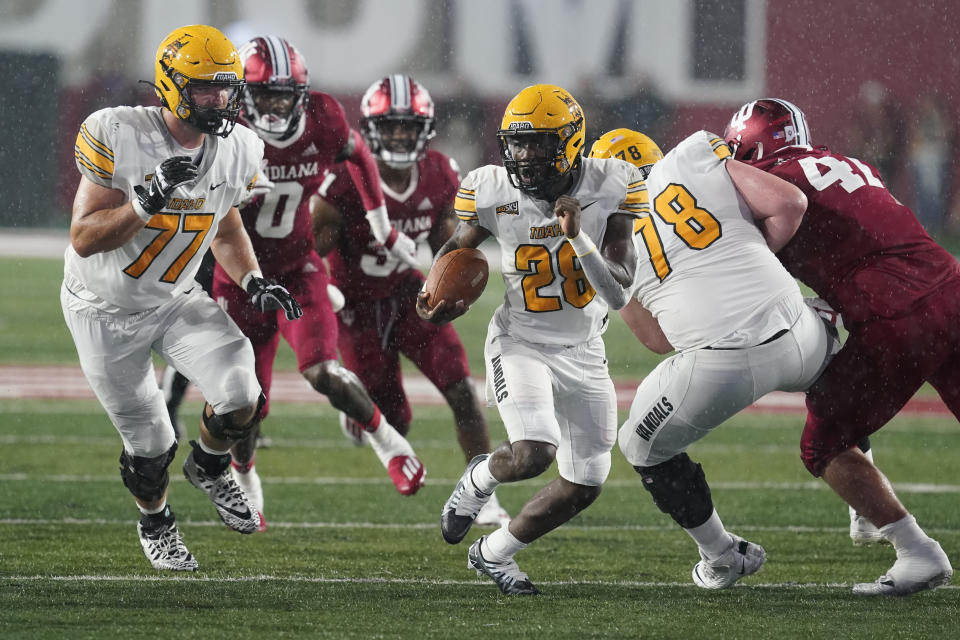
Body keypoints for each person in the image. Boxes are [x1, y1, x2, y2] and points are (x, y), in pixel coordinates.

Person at [62, 24, 302, 571]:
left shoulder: (240, 147)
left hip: (174, 299)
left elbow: (226, 225)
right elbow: (84, 235)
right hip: (105, 310)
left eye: (225, 88)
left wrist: (253, 280)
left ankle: (211, 467)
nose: (218, 100)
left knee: (244, 392)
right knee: (149, 448)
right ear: (170, 86)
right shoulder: (117, 131)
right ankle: (156, 522)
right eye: (203, 88)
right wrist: (146, 201)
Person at [723, 98, 957, 596]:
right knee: (835, 395)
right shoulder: (848, 164)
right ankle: (868, 515)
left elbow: (765, 244)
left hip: (900, 315)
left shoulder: (770, 183)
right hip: (950, 286)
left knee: (823, 440)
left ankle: (916, 551)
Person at [418, 85, 644, 595]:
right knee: (535, 452)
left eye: (535, 144)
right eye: (515, 144)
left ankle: (494, 554)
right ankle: (479, 479)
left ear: (569, 143)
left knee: (585, 484)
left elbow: (617, 294)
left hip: (585, 349)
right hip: (520, 339)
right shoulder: (491, 189)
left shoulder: (613, 184)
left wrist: (577, 235)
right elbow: (457, 249)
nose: (522, 156)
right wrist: (430, 300)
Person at [587, 128, 837, 590]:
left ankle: (720, 553)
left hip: (723, 364)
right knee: (838, 375)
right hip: (800, 333)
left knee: (641, 445)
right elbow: (791, 204)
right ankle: (873, 513)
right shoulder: (691, 156)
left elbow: (658, 340)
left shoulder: (605, 239)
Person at [211, 36, 427, 529]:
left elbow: (360, 157)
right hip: (240, 279)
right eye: (264, 94)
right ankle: (244, 477)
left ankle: (389, 444)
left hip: (297, 270)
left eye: (283, 95)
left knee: (323, 371)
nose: (274, 104)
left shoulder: (324, 118)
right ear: (245, 94)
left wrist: (382, 229)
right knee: (247, 402)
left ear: (301, 95)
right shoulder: (225, 132)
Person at [311, 74, 510, 526]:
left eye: (408, 125)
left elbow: (448, 247)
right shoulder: (344, 180)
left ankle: (482, 496)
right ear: (371, 129)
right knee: (394, 421)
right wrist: (324, 292)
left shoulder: (441, 173)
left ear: (425, 130)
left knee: (461, 390)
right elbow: (309, 253)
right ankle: (358, 412)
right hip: (357, 309)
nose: (400, 134)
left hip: (409, 298)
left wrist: (455, 286)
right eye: (391, 125)